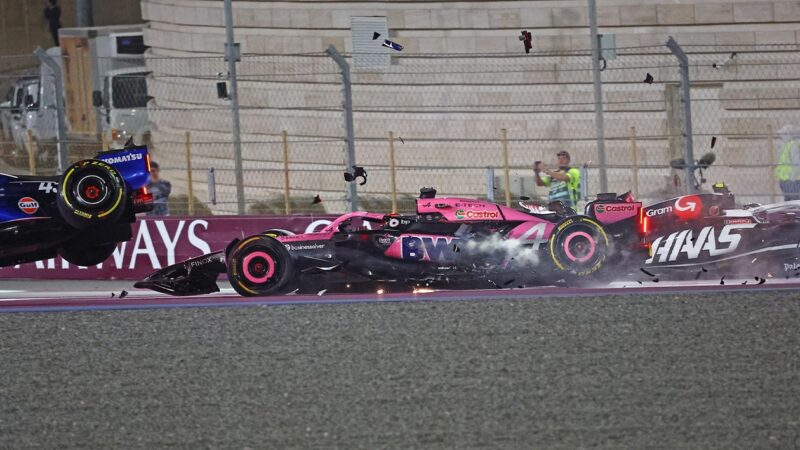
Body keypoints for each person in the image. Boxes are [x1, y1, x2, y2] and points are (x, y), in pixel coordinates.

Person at [776, 125, 800, 201]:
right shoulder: (787, 145)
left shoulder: (793, 146)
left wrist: (792, 179)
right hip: (787, 181)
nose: (781, 136)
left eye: (783, 134)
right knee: (789, 204)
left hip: (792, 181)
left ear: (788, 135)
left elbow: (796, 164)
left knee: (793, 204)